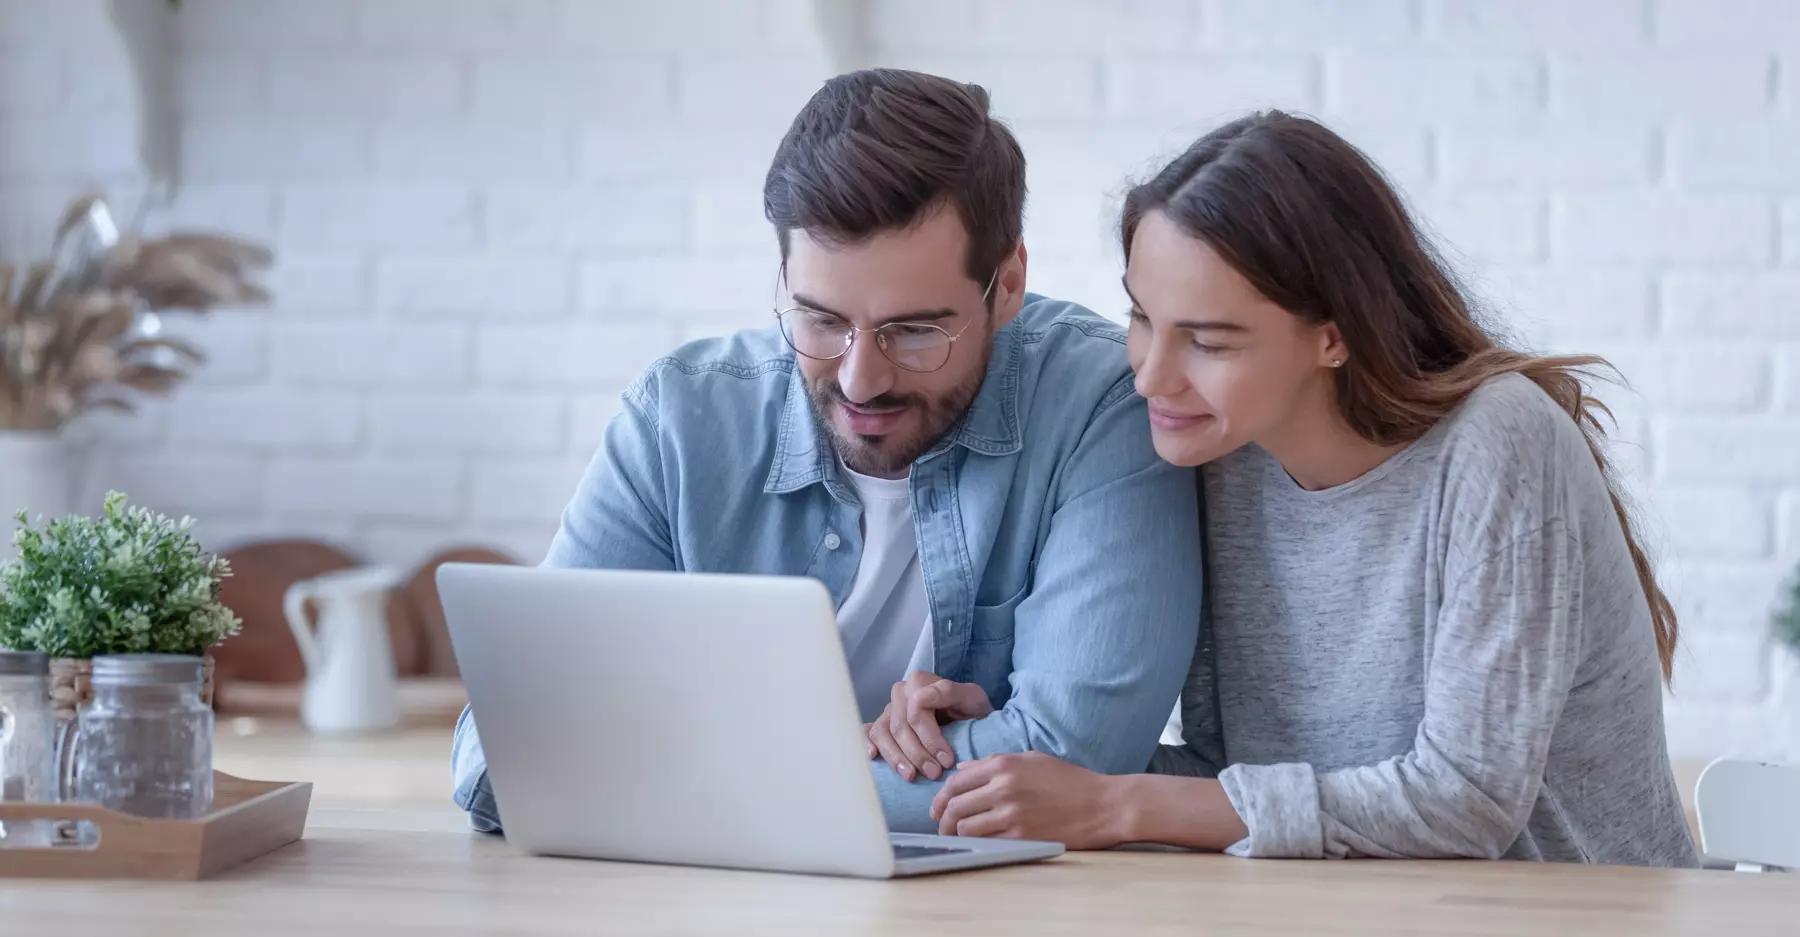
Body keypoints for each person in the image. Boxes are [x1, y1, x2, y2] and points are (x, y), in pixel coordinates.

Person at [909, 111, 1699, 866]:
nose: (1147, 375)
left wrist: (1120, 805)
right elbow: (1241, 780)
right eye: (1142, 318)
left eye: (1208, 340)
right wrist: (1029, 758)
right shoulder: (1223, 455)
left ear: (1333, 334)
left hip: (1581, 911)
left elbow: (1467, 798)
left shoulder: (1498, 443)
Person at [449, 69, 1202, 835]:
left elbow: (1075, 760)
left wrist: (682, 773)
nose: (860, 378)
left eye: (913, 331)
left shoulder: (1101, 404)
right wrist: (840, 761)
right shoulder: (678, 420)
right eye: (819, 319)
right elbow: (502, 755)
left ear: (1006, 285)